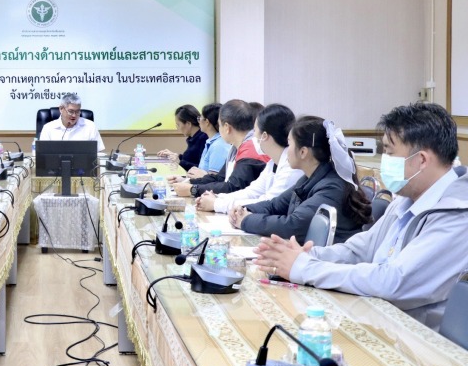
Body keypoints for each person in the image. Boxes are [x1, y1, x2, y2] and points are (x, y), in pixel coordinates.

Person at [253, 103, 468, 330]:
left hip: (421, 344)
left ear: (421, 160)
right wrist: (307, 255)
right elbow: (360, 249)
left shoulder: (457, 215)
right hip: (381, 321)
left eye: (390, 152)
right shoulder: (408, 199)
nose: (385, 159)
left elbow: (395, 281)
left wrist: (305, 268)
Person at [230, 116, 372, 243]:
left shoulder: (332, 186)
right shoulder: (308, 178)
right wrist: (244, 209)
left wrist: (246, 220)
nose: (287, 150)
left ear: (303, 152)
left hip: (329, 263)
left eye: (289, 144)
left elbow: (292, 225)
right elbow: (275, 205)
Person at [196, 104, 304, 214]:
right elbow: (252, 192)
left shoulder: (290, 169)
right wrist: (218, 197)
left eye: (255, 130)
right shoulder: (273, 163)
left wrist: (216, 204)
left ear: (264, 135)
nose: (253, 136)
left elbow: (267, 203)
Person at [172, 99, 269, 197]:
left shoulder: (250, 150)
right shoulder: (236, 148)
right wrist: (188, 182)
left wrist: (193, 189)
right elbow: (219, 178)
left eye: (219, 125)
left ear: (226, 127)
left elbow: (232, 187)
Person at [39, 93, 105, 151]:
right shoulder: (48, 128)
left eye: (77, 111)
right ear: (61, 109)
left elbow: (98, 153)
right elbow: (42, 155)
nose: (74, 115)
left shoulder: (90, 126)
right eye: (71, 111)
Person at [157, 105, 207, 171]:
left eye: (178, 125)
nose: (177, 128)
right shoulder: (193, 138)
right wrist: (174, 155)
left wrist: (179, 162)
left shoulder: (203, 139)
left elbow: (201, 168)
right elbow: (189, 159)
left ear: (188, 124)